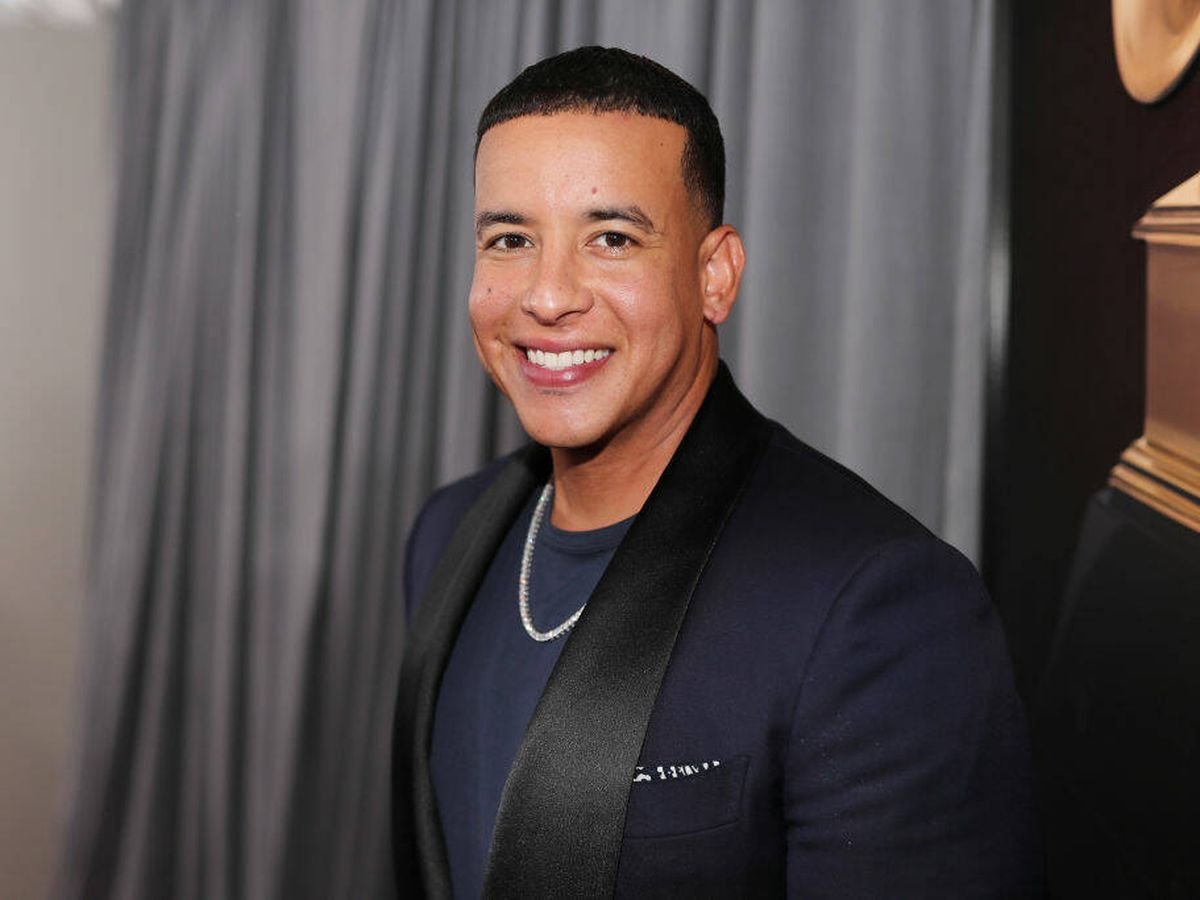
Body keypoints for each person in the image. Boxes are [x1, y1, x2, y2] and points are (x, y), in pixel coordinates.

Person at [392, 46, 1039, 899]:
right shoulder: (449, 532)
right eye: (510, 240)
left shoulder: (880, 608)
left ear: (715, 275)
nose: (548, 296)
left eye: (612, 239)